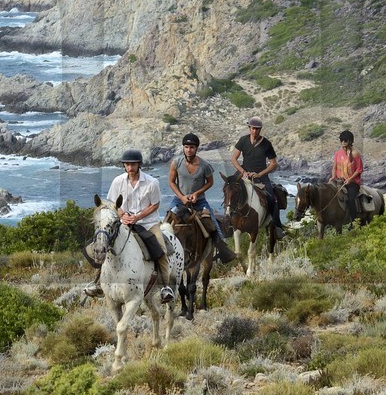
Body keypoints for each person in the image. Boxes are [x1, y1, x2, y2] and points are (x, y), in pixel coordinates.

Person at [87, 149, 169, 296]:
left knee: (161, 251)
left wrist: (137, 217)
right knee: (103, 244)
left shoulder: (152, 183)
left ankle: (165, 287)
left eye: (133, 164)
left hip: (148, 223)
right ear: (124, 165)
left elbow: (155, 204)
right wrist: (123, 215)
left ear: (139, 165)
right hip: (124, 222)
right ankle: (98, 282)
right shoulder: (118, 181)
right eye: (127, 164)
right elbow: (112, 203)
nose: (130, 168)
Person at [168, 133, 236, 264]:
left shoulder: (204, 166)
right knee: (167, 220)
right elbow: (171, 182)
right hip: (180, 199)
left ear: (196, 148)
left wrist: (197, 194)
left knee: (213, 224)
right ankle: (164, 249)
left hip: (199, 201)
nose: (189, 150)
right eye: (186, 147)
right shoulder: (176, 163)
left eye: (192, 147)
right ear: (183, 148)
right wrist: (181, 197)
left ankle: (224, 250)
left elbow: (210, 182)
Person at [231, 117, 284, 240]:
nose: (255, 131)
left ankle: (277, 227)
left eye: (257, 129)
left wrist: (260, 174)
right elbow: (234, 159)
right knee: (230, 189)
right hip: (244, 172)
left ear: (260, 130)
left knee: (272, 199)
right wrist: (242, 171)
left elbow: (273, 163)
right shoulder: (243, 140)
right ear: (249, 128)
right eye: (253, 128)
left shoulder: (266, 144)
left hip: (261, 176)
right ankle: (228, 219)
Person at [330, 129, 363, 222]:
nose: (343, 142)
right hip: (339, 180)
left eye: (345, 140)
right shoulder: (337, 154)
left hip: (352, 182)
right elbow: (334, 168)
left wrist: (350, 179)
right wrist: (333, 177)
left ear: (350, 141)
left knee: (351, 199)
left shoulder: (355, 153)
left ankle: (354, 221)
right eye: (341, 140)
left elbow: (359, 169)